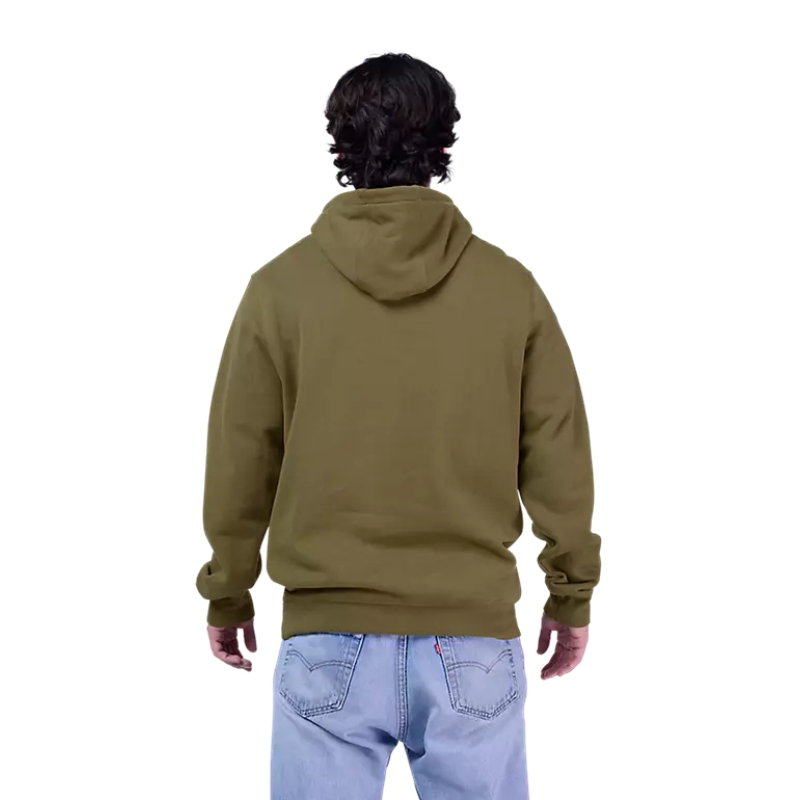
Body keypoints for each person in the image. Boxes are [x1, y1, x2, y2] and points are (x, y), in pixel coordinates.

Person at [196, 52, 601, 800]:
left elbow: (241, 456)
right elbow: (556, 449)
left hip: (326, 639)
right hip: (472, 640)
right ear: (444, 144)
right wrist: (570, 592)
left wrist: (229, 589)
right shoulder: (508, 288)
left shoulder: (279, 290)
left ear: (340, 147)